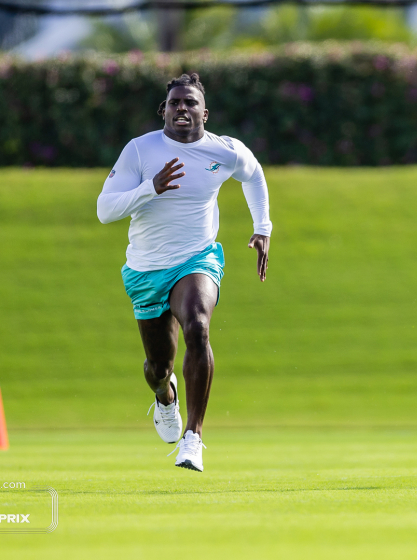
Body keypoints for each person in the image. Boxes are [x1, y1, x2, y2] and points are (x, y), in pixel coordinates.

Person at [97, 73, 271, 472]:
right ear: (164, 110)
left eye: (191, 103)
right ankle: (165, 396)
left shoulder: (224, 151)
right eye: (175, 102)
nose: (182, 108)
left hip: (197, 258)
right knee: (158, 367)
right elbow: (105, 210)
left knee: (197, 326)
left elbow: (255, 173)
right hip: (145, 268)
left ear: (204, 113)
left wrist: (263, 227)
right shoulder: (140, 151)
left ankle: (193, 438)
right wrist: (150, 189)